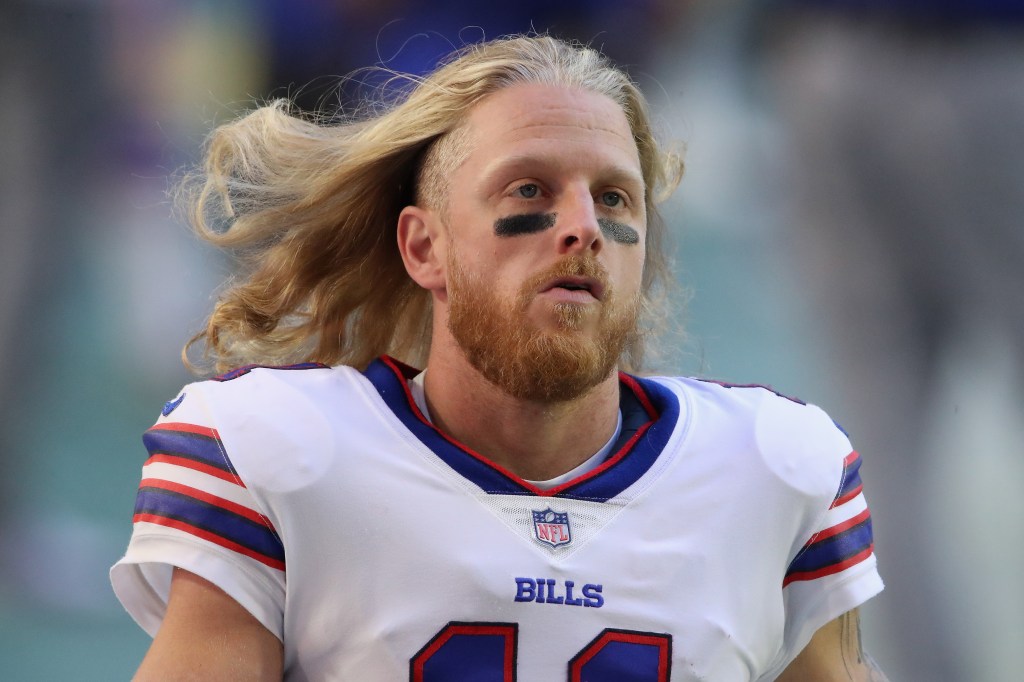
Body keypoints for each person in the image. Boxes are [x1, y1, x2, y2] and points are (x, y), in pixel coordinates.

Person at [110, 35, 887, 680]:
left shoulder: (777, 470)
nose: (581, 226)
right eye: (528, 191)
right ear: (425, 246)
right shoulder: (273, 452)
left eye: (614, 198)